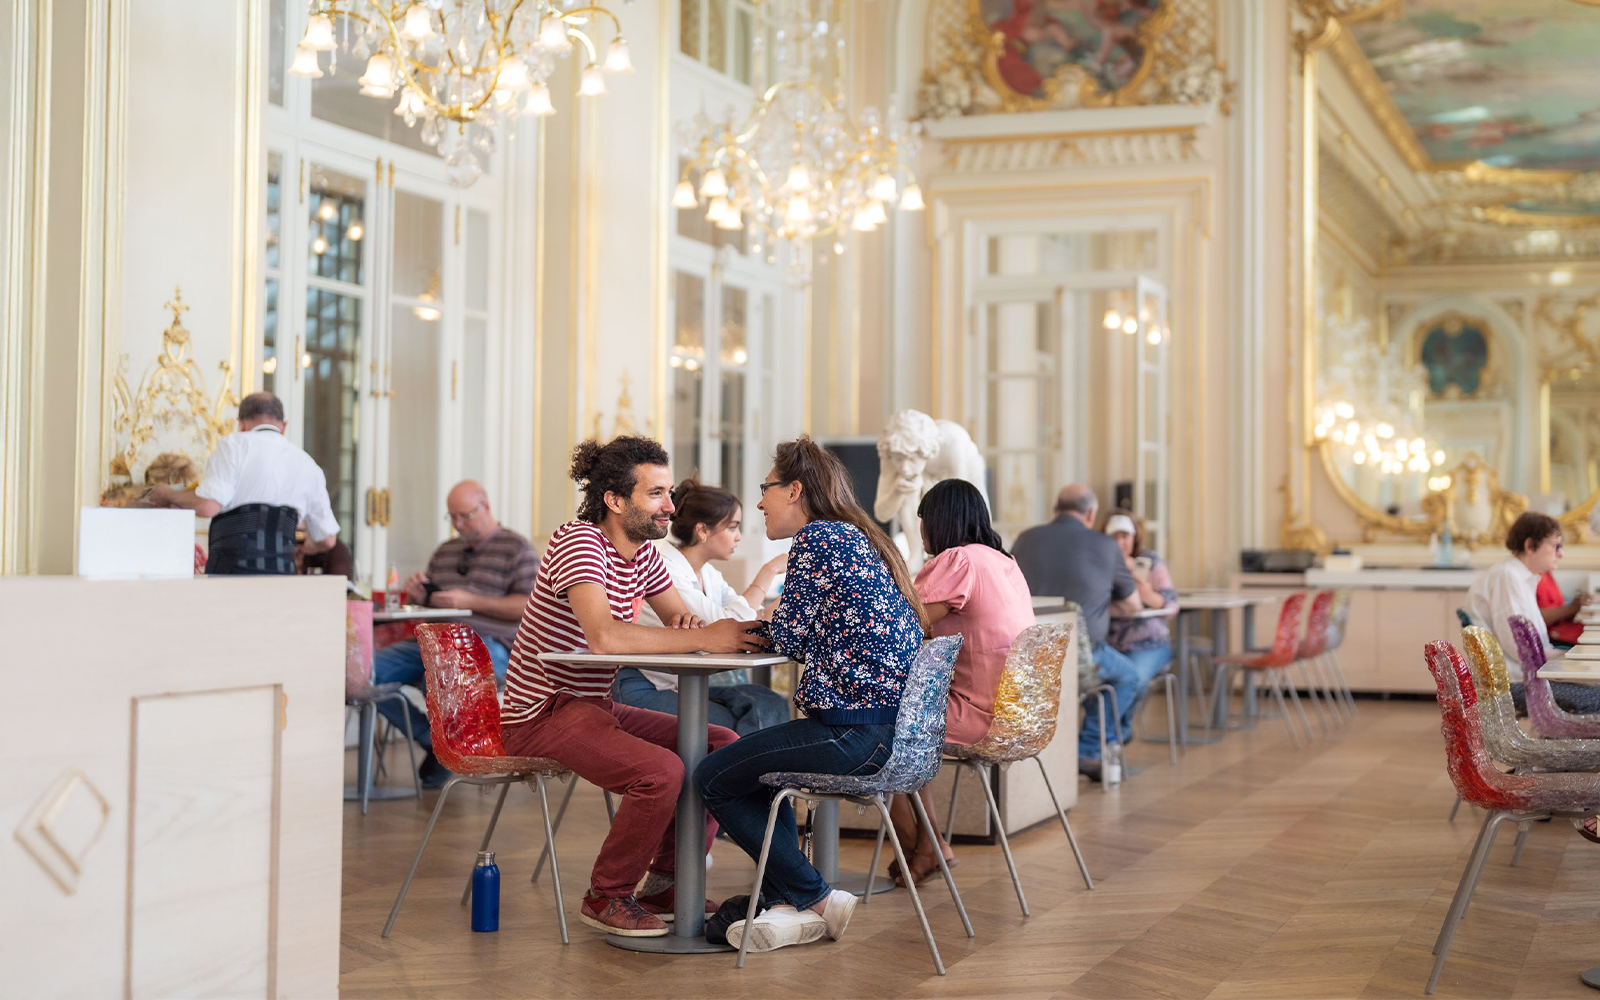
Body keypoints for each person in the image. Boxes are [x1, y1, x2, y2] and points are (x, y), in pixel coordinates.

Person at [500, 436, 768, 939]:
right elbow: (604, 637)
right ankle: (606, 894)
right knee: (661, 772)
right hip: (540, 712)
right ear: (615, 501)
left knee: (721, 745)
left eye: (669, 494)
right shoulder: (578, 542)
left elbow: (680, 623)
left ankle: (666, 884)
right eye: (656, 494)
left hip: (595, 706)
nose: (671, 506)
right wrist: (704, 635)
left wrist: (702, 629)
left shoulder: (645, 553)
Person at [694, 436, 926, 954]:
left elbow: (788, 637)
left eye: (765, 489)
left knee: (712, 776)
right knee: (746, 769)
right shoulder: (856, 537)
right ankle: (787, 901)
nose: (758, 502)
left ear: (794, 489)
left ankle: (815, 897)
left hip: (854, 732)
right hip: (889, 733)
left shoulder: (819, 539)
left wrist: (722, 631)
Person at [887, 478, 1034, 887]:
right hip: (1016, 714)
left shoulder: (957, 561)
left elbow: (900, 623)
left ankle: (928, 846)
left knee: (877, 728)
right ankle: (930, 846)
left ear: (937, 521)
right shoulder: (1005, 562)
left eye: (921, 519)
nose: (920, 528)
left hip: (978, 715)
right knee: (904, 723)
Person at [372, 480, 540, 787]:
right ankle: (435, 744)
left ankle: (450, 751)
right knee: (360, 676)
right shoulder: (446, 552)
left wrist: (470, 601)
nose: (458, 524)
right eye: (452, 517)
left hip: (490, 645)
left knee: (436, 677)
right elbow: (433, 602)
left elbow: (529, 605)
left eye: (465, 516)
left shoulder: (517, 549)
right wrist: (420, 594)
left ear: (485, 507)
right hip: (432, 641)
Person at [612, 478, 792, 736]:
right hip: (646, 684)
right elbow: (728, 624)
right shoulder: (665, 567)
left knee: (769, 703)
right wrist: (770, 570)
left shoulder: (708, 573)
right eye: (732, 527)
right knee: (733, 725)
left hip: (682, 683)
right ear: (703, 531)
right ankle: (746, 775)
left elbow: (746, 617)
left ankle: (757, 774)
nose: (739, 537)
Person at [1012, 484, 1141, 782]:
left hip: (1029, 656)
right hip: (1082, 657)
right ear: (1091, 513)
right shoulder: (1106, 546)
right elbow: (1133, 604)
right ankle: (1088, 749)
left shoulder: (1025, 539)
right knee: (1128, 676)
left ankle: (1077, 747)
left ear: (1056, 509)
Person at [149, 391, 339, 574]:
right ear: (284, 426)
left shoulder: (233, 445)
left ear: (241, 424)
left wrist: (167, 494)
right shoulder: (308, 464)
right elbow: (328, 539)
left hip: (231, 573)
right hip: (282, 577)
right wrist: (305, 549)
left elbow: (208, 506)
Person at [1102, 507, 1179, 714]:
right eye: (1114, 536)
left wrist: (1143, 587)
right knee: (1098, 687)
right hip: (1110, 644)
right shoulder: (1101, 562)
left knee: (1135, 678)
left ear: (1135, 537)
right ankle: (1111, 735)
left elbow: (1172, 605)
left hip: (1149, 643)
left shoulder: (1149, 561)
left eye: (1125, 536)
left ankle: (1117, 734)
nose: (1120, 542)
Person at [1536, 570, 1587, 648]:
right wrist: (1572, 608)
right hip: (1552, 637)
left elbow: (1561, 611)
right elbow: (1536, 618)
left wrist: (1576, 606)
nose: (1560, 556)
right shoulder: (1530, 576)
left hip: (1564, 628)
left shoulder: (1546, 573)